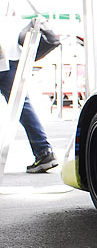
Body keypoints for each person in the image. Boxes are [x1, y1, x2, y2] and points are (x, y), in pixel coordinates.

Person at [0, 14, 58, 173]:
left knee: (23, 106)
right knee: (23, 107)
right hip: (13, 55)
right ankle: (43, 151)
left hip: (5, 54)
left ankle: (43, 151)